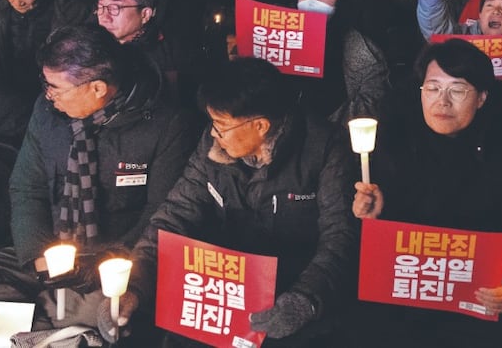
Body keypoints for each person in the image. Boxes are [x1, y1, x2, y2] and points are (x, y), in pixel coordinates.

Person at [100, 57, 358, 345]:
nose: (213, 132)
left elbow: (339, 237)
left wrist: (305, 299)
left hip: (293, 287)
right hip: (227, 287)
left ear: (260, 125)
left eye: (221, 125)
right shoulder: (214, 145)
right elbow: (175, 214)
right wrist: (135, 285)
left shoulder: (325, 148)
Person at [0, 24, 196, 334]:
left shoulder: (167, 125)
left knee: (101, 318)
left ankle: (44, 326)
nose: (48, 96)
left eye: (55, 87)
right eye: (45, 83)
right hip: (51, 249)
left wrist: (99, 265)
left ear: (97, 88)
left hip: (114, 263)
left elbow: (161, 213)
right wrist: (39, 259)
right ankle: (41, 326)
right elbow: (27, 187)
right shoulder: (46, 113)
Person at [351, 40, 502, 347]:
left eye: (457, 90)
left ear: (481, 98)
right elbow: (385, 258)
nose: (442, 101)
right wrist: (376, 218)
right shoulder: (394, 143)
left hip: (478, 304)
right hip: (411, 302)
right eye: (433, 88)